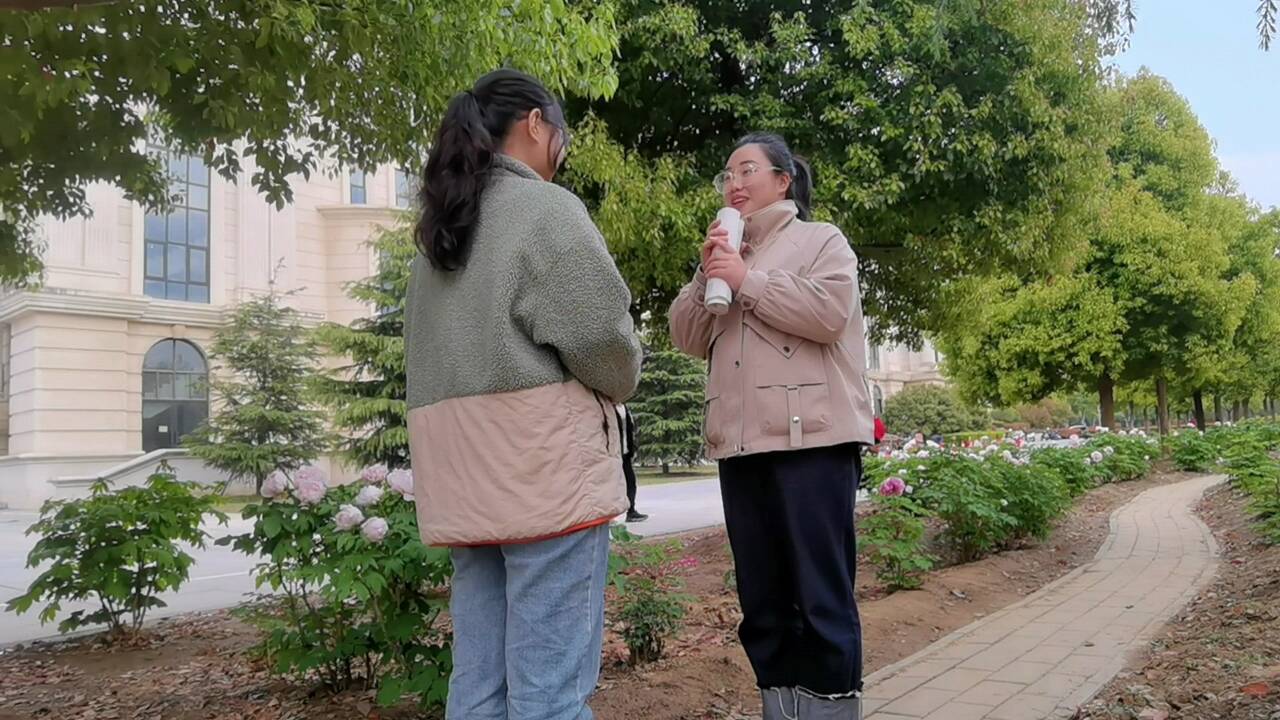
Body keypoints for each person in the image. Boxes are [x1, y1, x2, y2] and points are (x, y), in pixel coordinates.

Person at [404, 69, 642, 720]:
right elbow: (603, 343)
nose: (562, 150)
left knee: (478, 687)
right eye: (562, 134)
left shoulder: (441, 230)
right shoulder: (545, 210)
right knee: (550, 697)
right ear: (536, 123)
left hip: (463, 480)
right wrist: (627, 369)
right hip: (543, 476)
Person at [670, 132, 873, 719]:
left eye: (747, 170)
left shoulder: (820, 240)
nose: (734, 183)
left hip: (813, 444)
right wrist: (708, 271)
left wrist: (747, 281)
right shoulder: (723, 253)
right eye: (727, 175)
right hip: (741, 447)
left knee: (820, 598)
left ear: (783, 181)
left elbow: (830, 314)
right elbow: (687, 336)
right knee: (762, 604)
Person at [617, 403, 649, 522]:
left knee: (631, 482)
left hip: (625, 453)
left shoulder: (624, 407)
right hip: (613, 454)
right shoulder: (608, 407)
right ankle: (608, 517)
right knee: (610, 485)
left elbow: (630, 430)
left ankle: (631, 512)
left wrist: (632, 448)